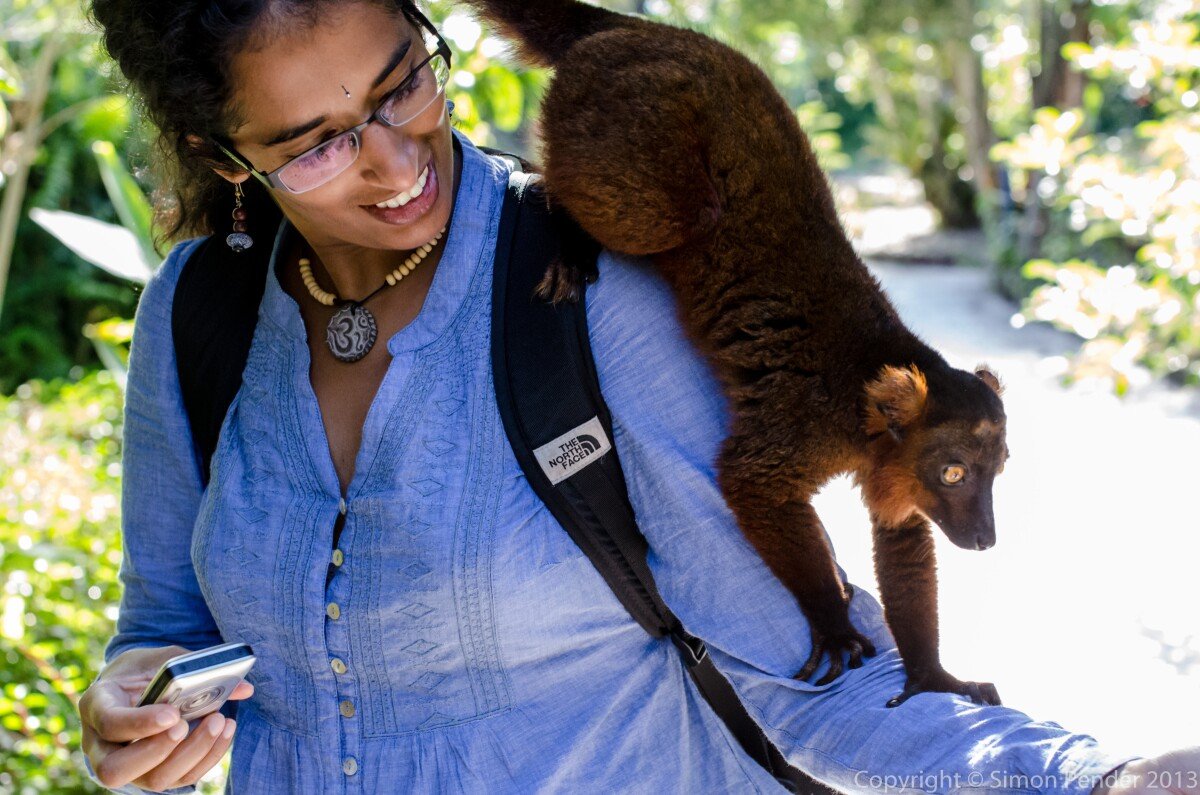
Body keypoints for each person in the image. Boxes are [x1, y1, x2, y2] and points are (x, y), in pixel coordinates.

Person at [78, 1, 1199, 792]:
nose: (395, 159)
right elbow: (166, 626)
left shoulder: (597, 293)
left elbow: (813, 675)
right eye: (318, 145)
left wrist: (1097, 778)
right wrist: (134, 700)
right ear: (224, 158)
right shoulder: (199, 309)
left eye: (403, 84)